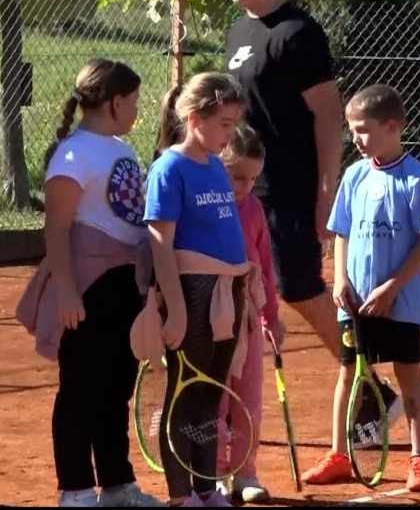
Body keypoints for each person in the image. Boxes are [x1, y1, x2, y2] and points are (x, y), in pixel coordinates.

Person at [222, 0, 403, 437]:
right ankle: (226, 411)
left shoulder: (298, 34)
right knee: (236, 291)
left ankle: (374, 390)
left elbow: (328, 117)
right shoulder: (239, 32)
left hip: (290, 188)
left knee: (299, 288)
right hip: (242, 188)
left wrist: (328, 191)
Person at [16, 59, 165, 507]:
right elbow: (57, 227)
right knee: (81, 388)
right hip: (88, 284)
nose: (137, 110)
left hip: (124, 283)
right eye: (134, 102)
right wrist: (65, 289)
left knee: (116, 384)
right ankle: (76, 490)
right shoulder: (74, 154)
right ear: (115, 102)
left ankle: (117, 484)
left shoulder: (118, 147)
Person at [300, 85, 420, 492]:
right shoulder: (356, 174)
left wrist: (393, 288)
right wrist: (341, 279)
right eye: (352, 130)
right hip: (354, 302)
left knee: (408, 376)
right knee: (349, 377)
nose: (356, 139)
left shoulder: (418, 179)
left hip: (399, 303)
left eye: (363, 130)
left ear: (394, 127)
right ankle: (339, 454)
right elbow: (341, 231)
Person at [144, 72, 253, 508]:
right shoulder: (169, 167)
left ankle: (206, 488)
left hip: (228, 292)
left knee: (212, 394)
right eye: (225, 124)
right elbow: (160, 242)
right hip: (192, 292)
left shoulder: (215, 168)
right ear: (195, 118)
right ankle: (180, 494)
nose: (230, 134)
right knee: (185, 394)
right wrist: (175, 308)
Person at [214, 124, 284, 504]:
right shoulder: (206, 204)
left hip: (248, 316)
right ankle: (216, 474)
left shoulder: (255, 209)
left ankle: (246, 472)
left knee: (249, 398)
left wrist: (270, 316)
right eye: (236, 176)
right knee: (217, 399)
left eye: (252, 179)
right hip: (214, 315)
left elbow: (267, 269)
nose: (244, 186)